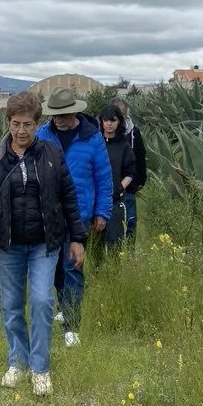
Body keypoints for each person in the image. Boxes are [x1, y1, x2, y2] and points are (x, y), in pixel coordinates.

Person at [0, 91, 86, 396]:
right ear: (7, 122)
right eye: (15, 124)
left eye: (27, 124)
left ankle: (40, 368)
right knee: (12, 305)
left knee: (41, 301)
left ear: (37, 124)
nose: (21, 130)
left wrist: (77, 238)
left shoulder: (51, 153)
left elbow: (69, 197)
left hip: (44, 244)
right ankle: (18, 361)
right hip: (9, 244)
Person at [36, 87, 113, 347]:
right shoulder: (42, 135)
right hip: (48, 214)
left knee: (73, 268)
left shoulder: (92, 138)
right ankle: (63, 305)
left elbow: (103, 178)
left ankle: (72, 325)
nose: (59, 119)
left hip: (79, 215)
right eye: (55, 115)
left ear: (74, 113)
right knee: (55, 268)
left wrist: (102, 212)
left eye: (63, 115)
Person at [98, 104, 137, 247]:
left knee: (115, 241)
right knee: (95, 243)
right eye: (106, 120)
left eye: (113, 120)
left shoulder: (123, 145)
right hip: (95, 199)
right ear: (101, 121)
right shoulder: (95, 143)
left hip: (115, 200)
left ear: (119, 121)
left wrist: (120, 187)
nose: (109, 123)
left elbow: (130, 171)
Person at [110, 98, 147, 240]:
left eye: (122, 115)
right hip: (109, 186)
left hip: (129, 186)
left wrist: (140, 180)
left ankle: (129, 247)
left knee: (130, 219)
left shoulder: (133, 132)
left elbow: (140, 155)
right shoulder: (102, 133)